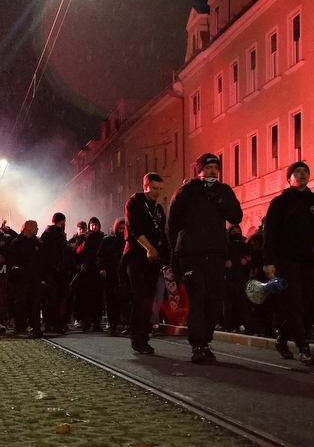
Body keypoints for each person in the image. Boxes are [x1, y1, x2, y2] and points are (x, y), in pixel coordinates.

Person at [167, 153, 243, 363]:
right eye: (208, 168)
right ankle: (197, 345)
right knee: (196, 299)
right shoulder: (186, 191)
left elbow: (236, 217)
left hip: (216, 254)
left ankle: (206, 341)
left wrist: (222, 200)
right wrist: (175, 252)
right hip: (191, 254)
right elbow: (172, 224)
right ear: (199, 170)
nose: (212, 172)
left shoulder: (224, 191)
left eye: (215, 168)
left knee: (214, 300)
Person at [263, 161, 314, 365]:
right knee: (293, 303)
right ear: (289, 178)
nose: (302, 174)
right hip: (286, 261)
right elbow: (269, 234)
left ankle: (282, 337)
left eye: (305, 171)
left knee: (305, 305)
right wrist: (268, 261)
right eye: (298, 171)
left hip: (310, 261)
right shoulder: (279, 203)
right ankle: (304, 348)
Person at [123, 173, 168, 354]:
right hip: (135, 258)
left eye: (160, 189)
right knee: (140, 297)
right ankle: (137, 337)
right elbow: (135, 230)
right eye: (155, 189)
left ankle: (144, 337)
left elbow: (163, 233)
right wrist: (149, 248)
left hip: (153, 260)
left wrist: (164, 254)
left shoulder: (158, 208)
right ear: (146, 186)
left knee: (149, 300)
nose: (158, 192)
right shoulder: (134, 203)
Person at [8, 219, 44, 337]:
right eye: (35, 226)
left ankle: (36, 327)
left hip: (35, 279)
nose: (37, 229)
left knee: (35, 304)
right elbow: (11, 261)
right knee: (21, 304)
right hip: (21, 280)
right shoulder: (16, 243)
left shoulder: (38, 244)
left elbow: (43, 261)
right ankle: (20, 326)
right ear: (28, 228)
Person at [39, 212, 73, 334]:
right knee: (55, 299)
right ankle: (54, 324)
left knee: (52, 299)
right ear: (63, 221)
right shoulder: (57, 235)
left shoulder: (48, 234)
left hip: (53, 272)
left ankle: (50, 324)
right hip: (56, 273)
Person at [97, 218, 128, 334]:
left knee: (123, 299)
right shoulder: (108, 240)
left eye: (123, 228)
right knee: (111, 299)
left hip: (123, 274)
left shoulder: (127, 240)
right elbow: (100, 256)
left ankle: (121, 322)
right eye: (119, 228)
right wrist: (101, 268)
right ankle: (113, 322)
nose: (121, 231)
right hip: (111, 274)